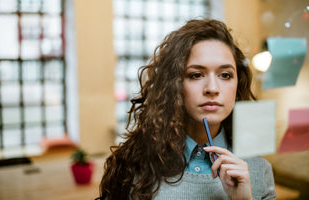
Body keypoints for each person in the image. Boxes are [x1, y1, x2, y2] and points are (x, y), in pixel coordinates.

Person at [98, 19, 276, 200]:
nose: (212, 88)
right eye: (196, 75)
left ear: (238, 85)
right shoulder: (136, 166)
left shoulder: (258, 171)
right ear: (174, 85)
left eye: (225, 75)